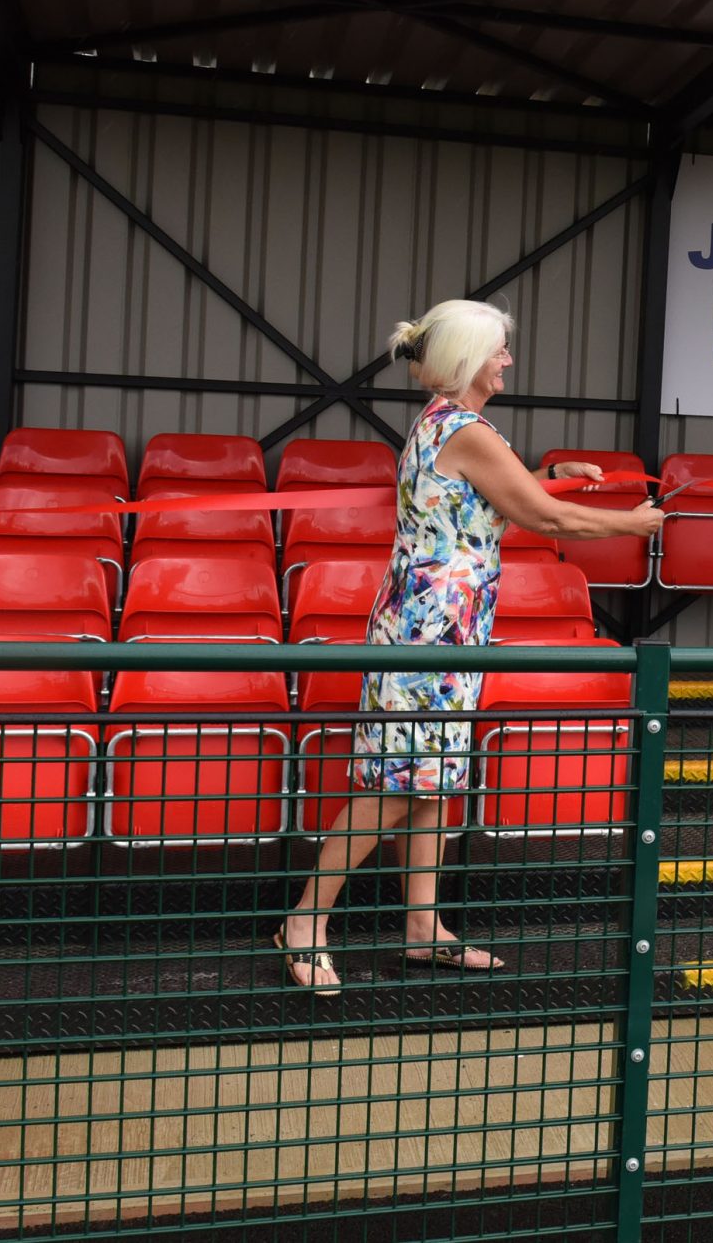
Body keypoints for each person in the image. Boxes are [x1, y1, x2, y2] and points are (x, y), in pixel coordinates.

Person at [275, 299, 663, 993]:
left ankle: (423, 928)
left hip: (442, 625)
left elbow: (495, 503)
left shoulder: (449, 425)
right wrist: (631, 522)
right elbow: (540, 515)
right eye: (499, 350)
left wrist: (557, 473)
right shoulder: (470, 430)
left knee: (433, 784)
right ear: (468, 360)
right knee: (396, 787)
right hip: (429, 628)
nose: (507, 360)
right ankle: (305, 920)